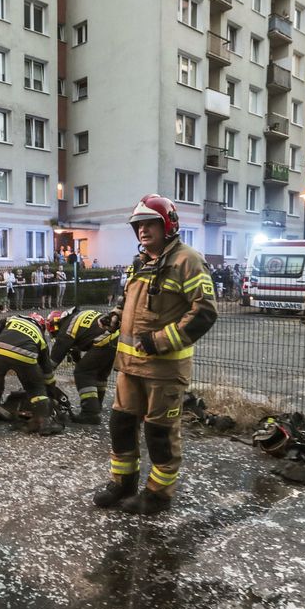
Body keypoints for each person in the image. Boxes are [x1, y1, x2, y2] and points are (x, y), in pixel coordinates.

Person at [94, 195, 218, 515]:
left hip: (164, 368)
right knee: (121, 424)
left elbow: (204, 312)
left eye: (150, 223)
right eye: (139, 225)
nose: (143, 230)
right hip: (129, 365)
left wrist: (160, 341)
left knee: (159, 432)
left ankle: (158, 494)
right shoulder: (140, 262)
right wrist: (114, 317)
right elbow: (128, 304)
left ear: (168, 225)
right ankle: (123, 483)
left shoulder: (187, 260)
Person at [0, 313, 63, 435]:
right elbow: (47, 371)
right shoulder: (40, 336)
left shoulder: (10, 319)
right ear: (41, 326)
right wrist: (50, 392)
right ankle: (45, 423)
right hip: (26, 355)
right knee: (35, 387)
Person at [46, 307, 119, 423]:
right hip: (116, 338)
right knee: (100, 375)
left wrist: (43, 374)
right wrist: (78, 361)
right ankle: (96, 406)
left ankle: (90, 413)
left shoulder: (66, 328)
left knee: (82, 373)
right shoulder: (76, 318)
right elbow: (77, 349)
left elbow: (55, 358)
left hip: (104, 340)